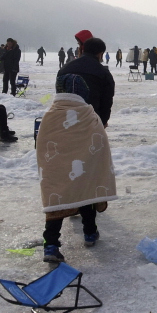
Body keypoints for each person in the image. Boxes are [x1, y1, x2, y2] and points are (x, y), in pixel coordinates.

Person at [37, 73, 117, 263]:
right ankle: (90, 232)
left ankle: (51, 245)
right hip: (83, 165)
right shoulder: (88, 114)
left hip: (56, 169)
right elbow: (100, 141)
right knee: (85, 193)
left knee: (56, 203)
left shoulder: (51, 115)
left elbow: (41, 142)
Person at [58, 38, 115, 127]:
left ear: (83, 49)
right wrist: (103, 122)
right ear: (100, 54)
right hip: (90, 120)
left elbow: (59, 95)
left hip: (64, 119)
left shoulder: (64, 69)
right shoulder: (103, 73)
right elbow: (106, 101)